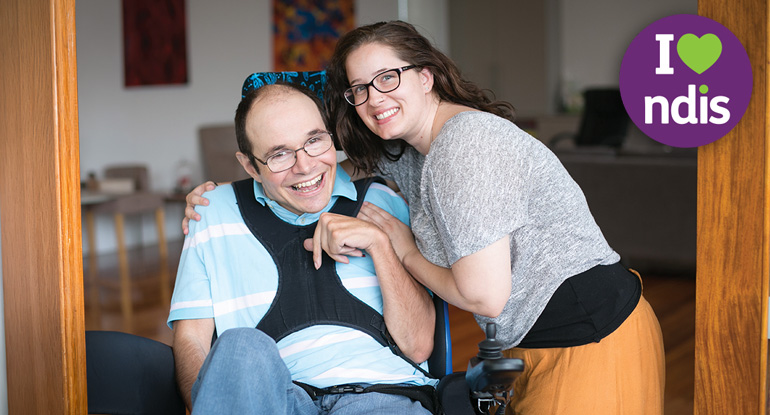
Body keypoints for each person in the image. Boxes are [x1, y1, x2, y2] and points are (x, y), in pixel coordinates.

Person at [184, 21, 665, 415]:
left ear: (427, 76)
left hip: (590, 332)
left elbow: (485, 296)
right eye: (358, 89)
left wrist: (400, 249)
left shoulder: (463, 145)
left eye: (388, 77)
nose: (374, 98)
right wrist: (231, 192)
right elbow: (302, 144)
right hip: (532, 343)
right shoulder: (406, 151)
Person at [169, 81, 438, 415]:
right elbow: (191, 339)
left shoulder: (380, 204)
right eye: (279, 154)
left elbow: (418, 346)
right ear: (251, 166)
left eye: (314, 140)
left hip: (379, 396)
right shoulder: (211, 210)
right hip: (275, 398)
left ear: (330, 138)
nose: (305, 165)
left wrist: (379, 245)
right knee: (239, 344)